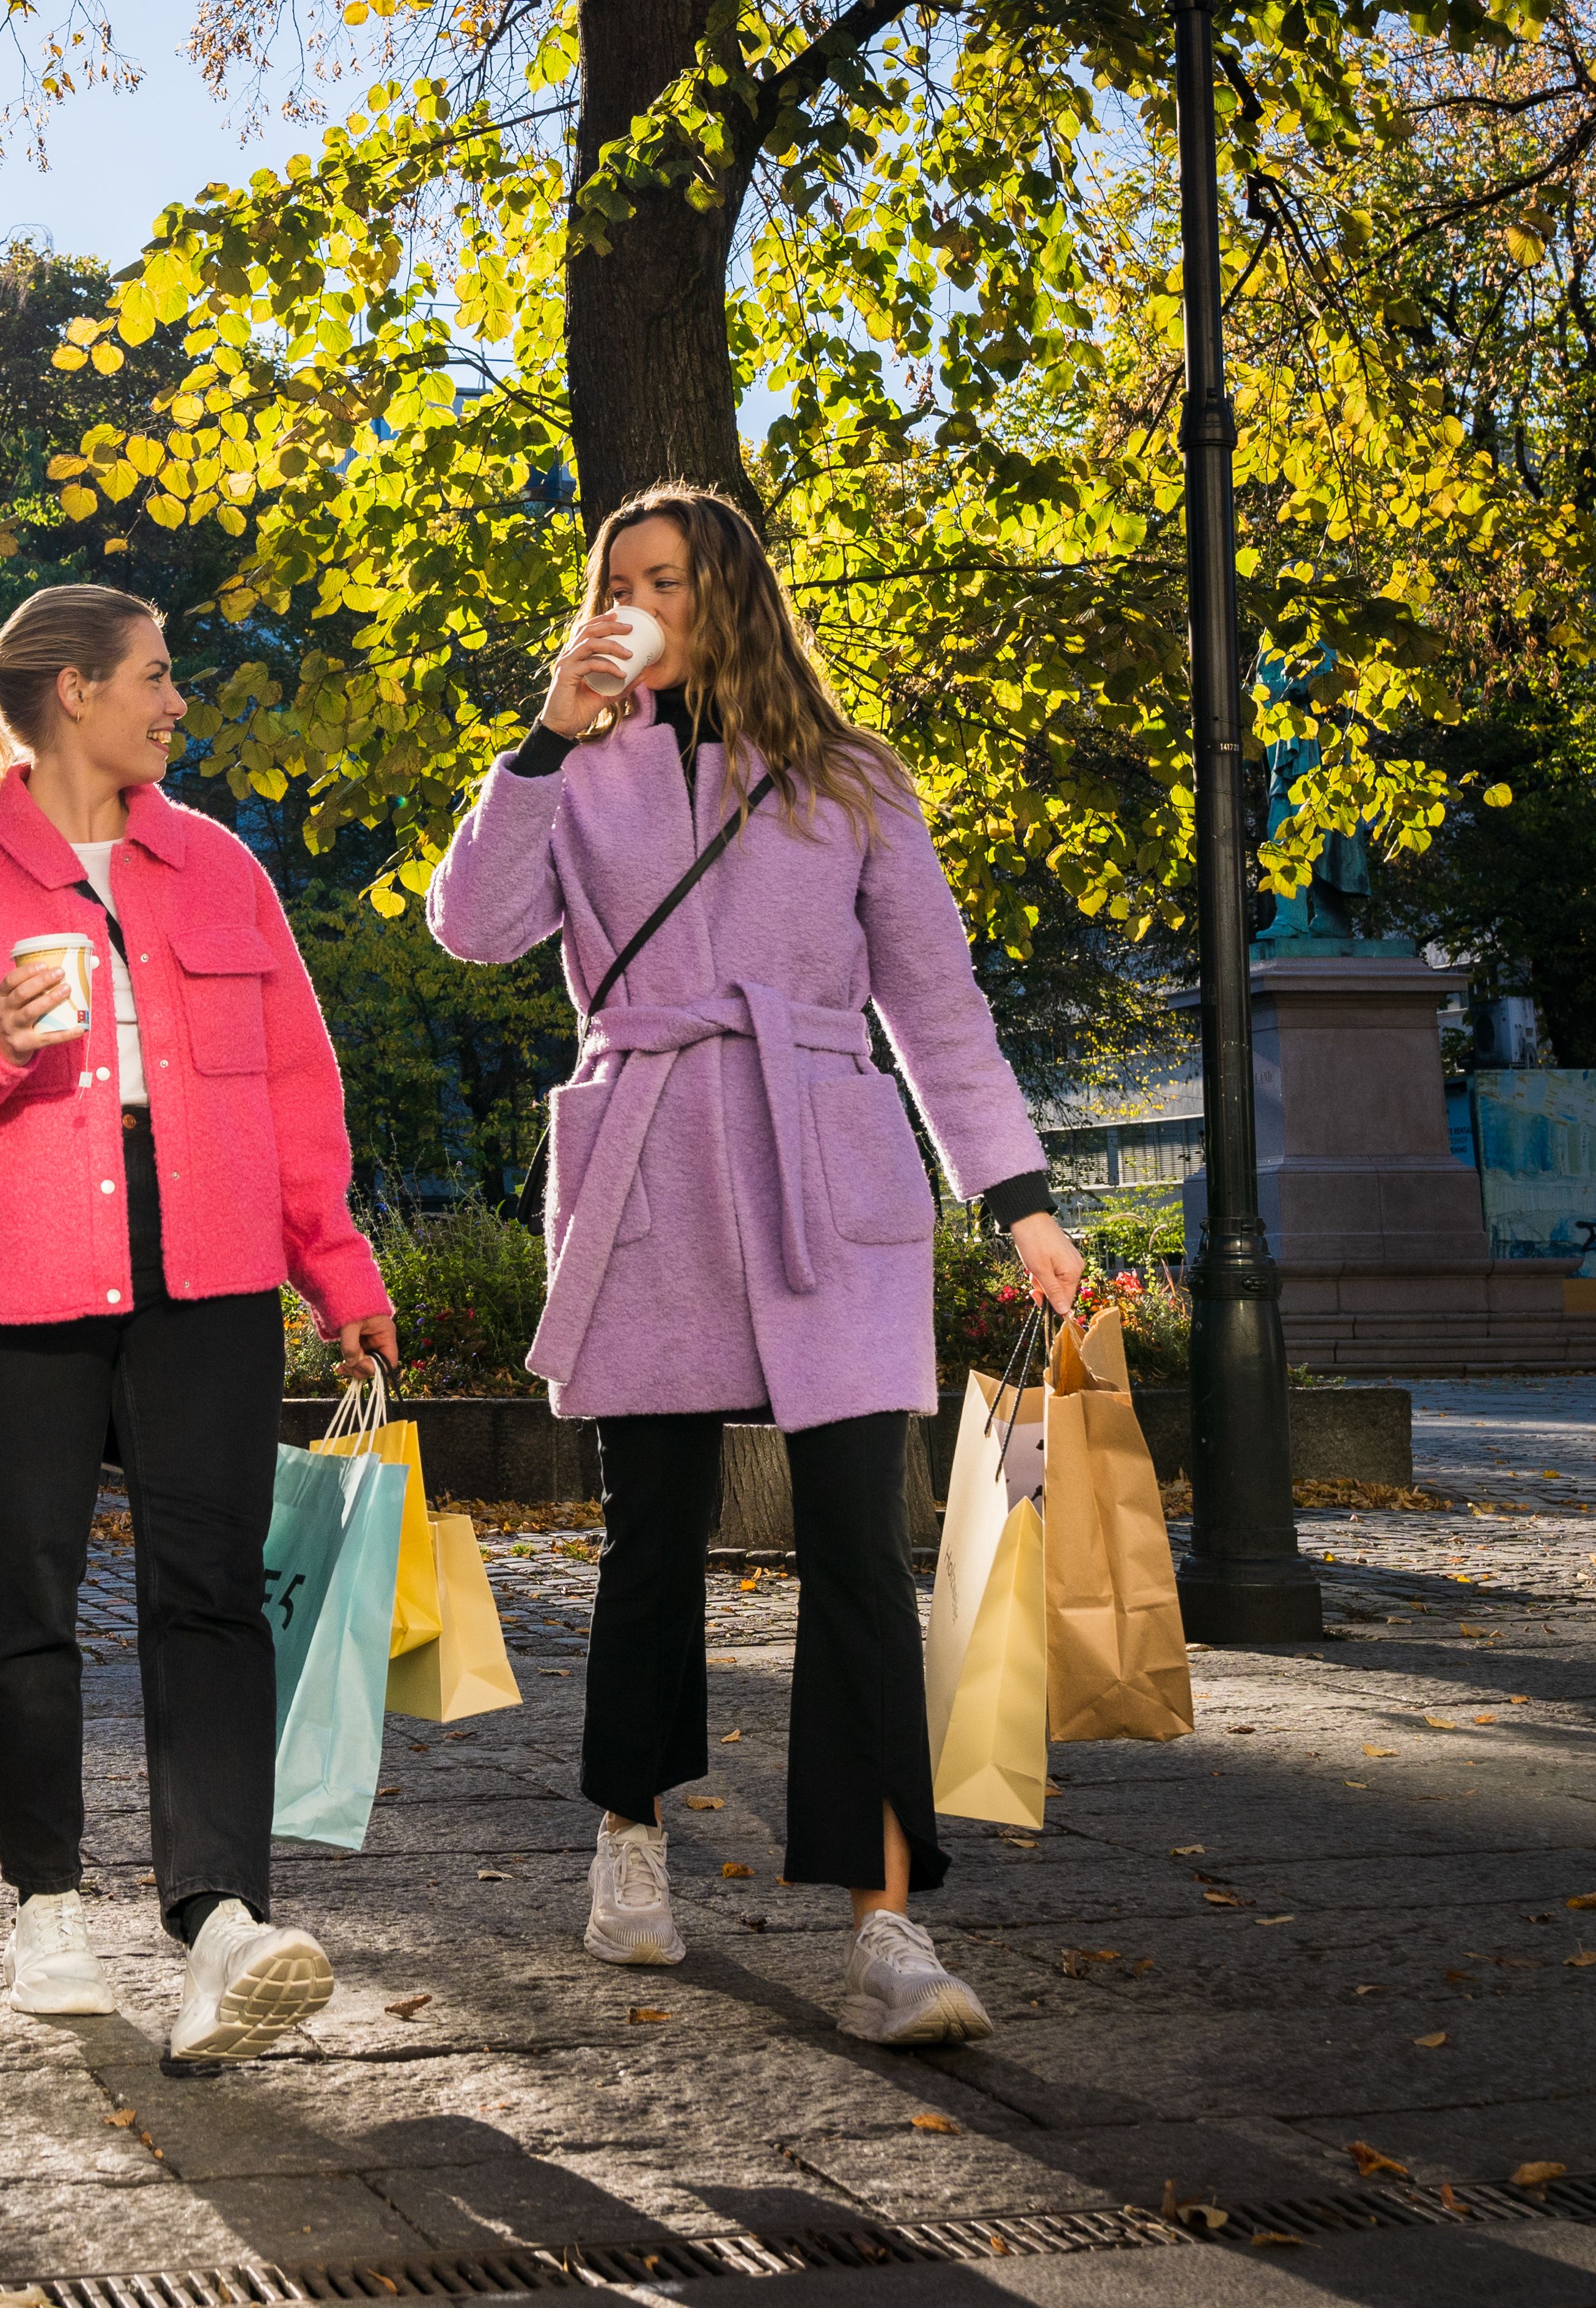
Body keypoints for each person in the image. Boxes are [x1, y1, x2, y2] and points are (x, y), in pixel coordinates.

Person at [425, 485, 1086, 2048]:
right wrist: (540, 737)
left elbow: (936, 1004)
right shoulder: (569, 775)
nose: (636, 605)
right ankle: (631, 1839)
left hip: (824, 1171)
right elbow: (472, 926)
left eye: (666, 581)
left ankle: (886, 1921)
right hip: (651, 1166)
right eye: (616, 584)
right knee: (651, 1538)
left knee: (863, 1549)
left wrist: (1022, 1199)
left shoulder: (848, 779)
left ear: (728, 596)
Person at [0, 581, 399, 2062]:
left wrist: (338, 1274)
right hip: (14, 1271)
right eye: (157, 674)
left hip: (207, 1268)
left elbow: (294, 1095)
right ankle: (47, 1907)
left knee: (209, 1587)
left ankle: (221, 1923)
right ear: (74, 691)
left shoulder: (221, 873)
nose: (176, 699)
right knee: (28, 1582)